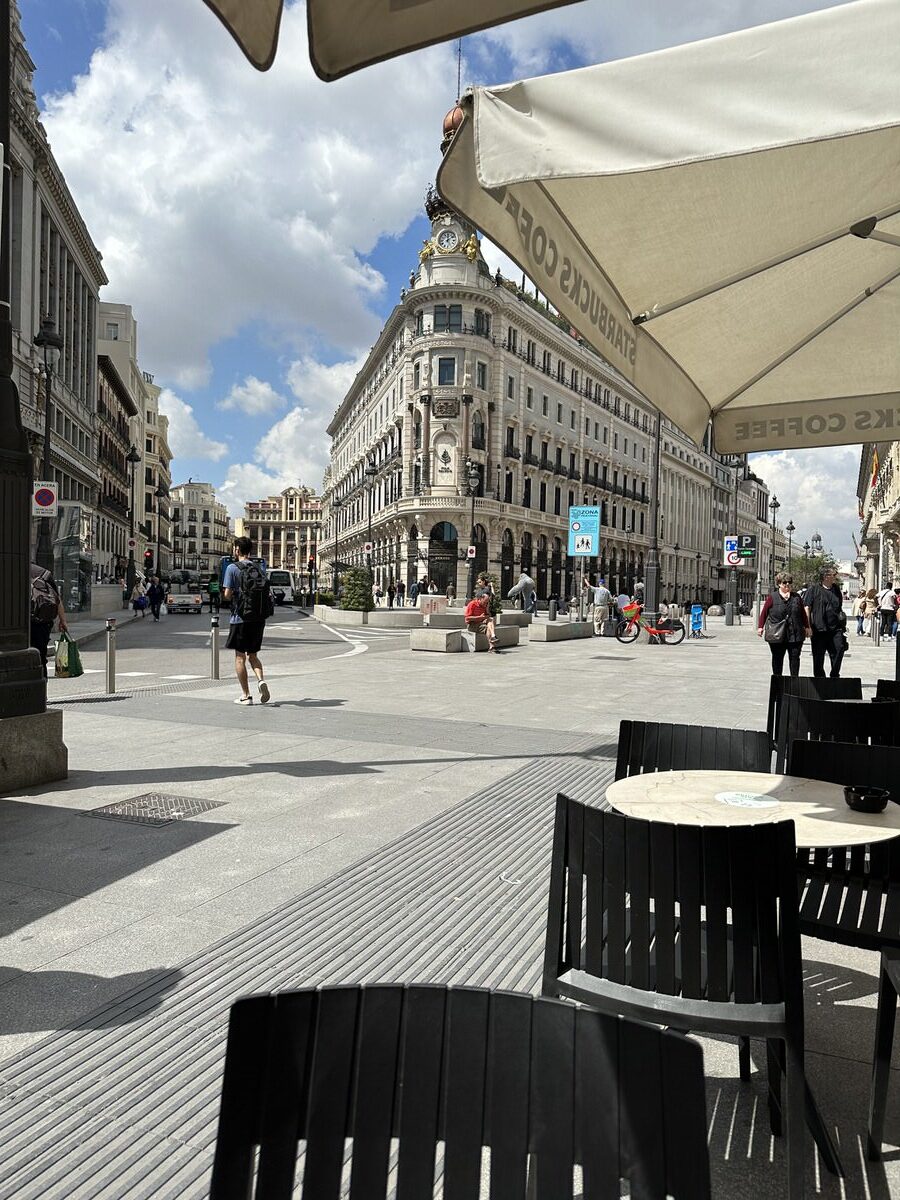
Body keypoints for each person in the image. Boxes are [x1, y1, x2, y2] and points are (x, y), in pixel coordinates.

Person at [223, 536, 272, 706]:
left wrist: (234, 594)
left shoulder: (232, 568)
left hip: (240, 618)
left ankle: (246, 695)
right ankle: (260, 680)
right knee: (253, 655)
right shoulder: (258, 568)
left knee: (239, 657)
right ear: (250, 550)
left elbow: (227, 595)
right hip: (258, 618)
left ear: (237, 550)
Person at [757, 572, 810, 676]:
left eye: (789, 582)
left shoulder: (796, 597)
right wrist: (760, 627)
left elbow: (803, 613)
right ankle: (777, 682)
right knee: (777, 659)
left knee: (795, 659)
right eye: (784, 582)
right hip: (777, 634)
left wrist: (807, 627)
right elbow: (764, 612)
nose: (787, 585)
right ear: (779, 584)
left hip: (795, 634)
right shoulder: (773, 597)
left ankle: (794, 681)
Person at [804, 565, 846, 678]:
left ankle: (834, 674)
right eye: (833, 575)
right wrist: (808, 626)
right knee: (818, 657)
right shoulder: (813, 589)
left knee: (839, 649)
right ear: (825, 576)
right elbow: (807, 608)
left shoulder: (836, 589)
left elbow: (839, 607)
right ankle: (820, 679)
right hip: (818, 629)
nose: (835, 577)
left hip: (835, 628)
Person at [29, 563, 67, 678]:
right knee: (40, 657)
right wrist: (63, 620)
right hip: (41, 623)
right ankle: (42, 690)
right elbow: (57, 599)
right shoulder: (43, 572)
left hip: (18, 623)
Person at [464, 587, 499, 652]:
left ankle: (493, 636)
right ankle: (492, 646)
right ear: (480, 599)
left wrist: (487, 610)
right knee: (487, 628)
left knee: (490, 620)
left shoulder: (485, 606)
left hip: (480, 623)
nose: (485, 603)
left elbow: (488, 615)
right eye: (485, 602)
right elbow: (467, 618)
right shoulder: (472, 604)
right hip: (472, 625)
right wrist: (479, 617)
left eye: (487, 602)